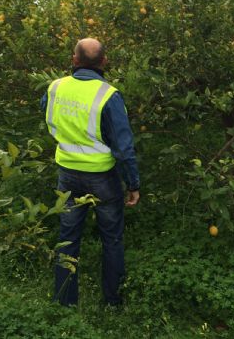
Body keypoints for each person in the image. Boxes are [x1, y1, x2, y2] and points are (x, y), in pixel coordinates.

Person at [41, 38, 140, 307]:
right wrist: (133, 184)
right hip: (102, 178)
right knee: (112, 238)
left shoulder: (55, 88)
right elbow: (123, 146)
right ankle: (112, 301)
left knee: (68, 238)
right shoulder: (108, 95)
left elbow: (48, 116)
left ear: (74, 60)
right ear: (104, 62)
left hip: (68, 175)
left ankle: (64, 301)